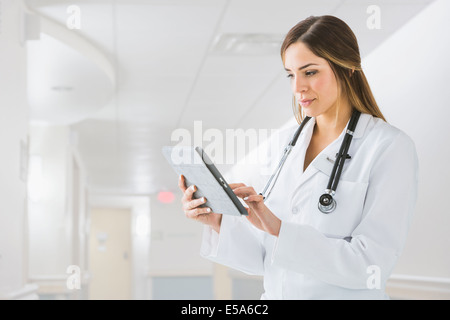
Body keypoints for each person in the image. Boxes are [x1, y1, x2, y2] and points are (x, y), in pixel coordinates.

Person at [178, 15, 418, 299]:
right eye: (291, 74)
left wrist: (281, 229)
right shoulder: (283, 145)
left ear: (348, 68)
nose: (297, 87)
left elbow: (371, 266)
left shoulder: (388, 147)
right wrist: (217, 221)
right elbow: (268, 258)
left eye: (310, 72)